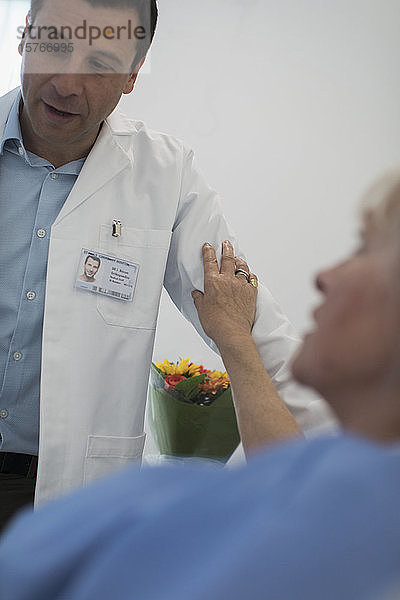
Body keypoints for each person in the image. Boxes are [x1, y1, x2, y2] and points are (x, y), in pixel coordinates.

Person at [0, 0, 330, 530]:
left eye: (101, 64)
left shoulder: (165, 177)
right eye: (54, 45)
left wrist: (352, 456)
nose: (66, 82)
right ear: (23, 37)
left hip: (72, 499)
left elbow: (255, 333)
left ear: (132, 77)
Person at [1, 168, 400, 600]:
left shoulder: (164, 505)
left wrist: (235, 337)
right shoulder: (336, 485)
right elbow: (300, 479)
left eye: (365, 250)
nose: (325, 276)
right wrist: (234, 338)